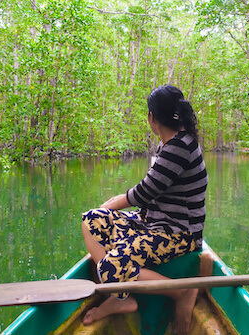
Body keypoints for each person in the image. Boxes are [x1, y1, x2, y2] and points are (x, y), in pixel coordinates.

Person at [81, 85, 208, 335]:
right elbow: (150, 195)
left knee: (111, 263)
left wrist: (113, 202)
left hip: (179, 233)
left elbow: (144, 193)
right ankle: (120, 295)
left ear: (151, 117)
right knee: (92, 221)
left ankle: (182, 291)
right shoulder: (172, 143)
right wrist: (107, 210)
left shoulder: (179, 147)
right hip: (151, 222)